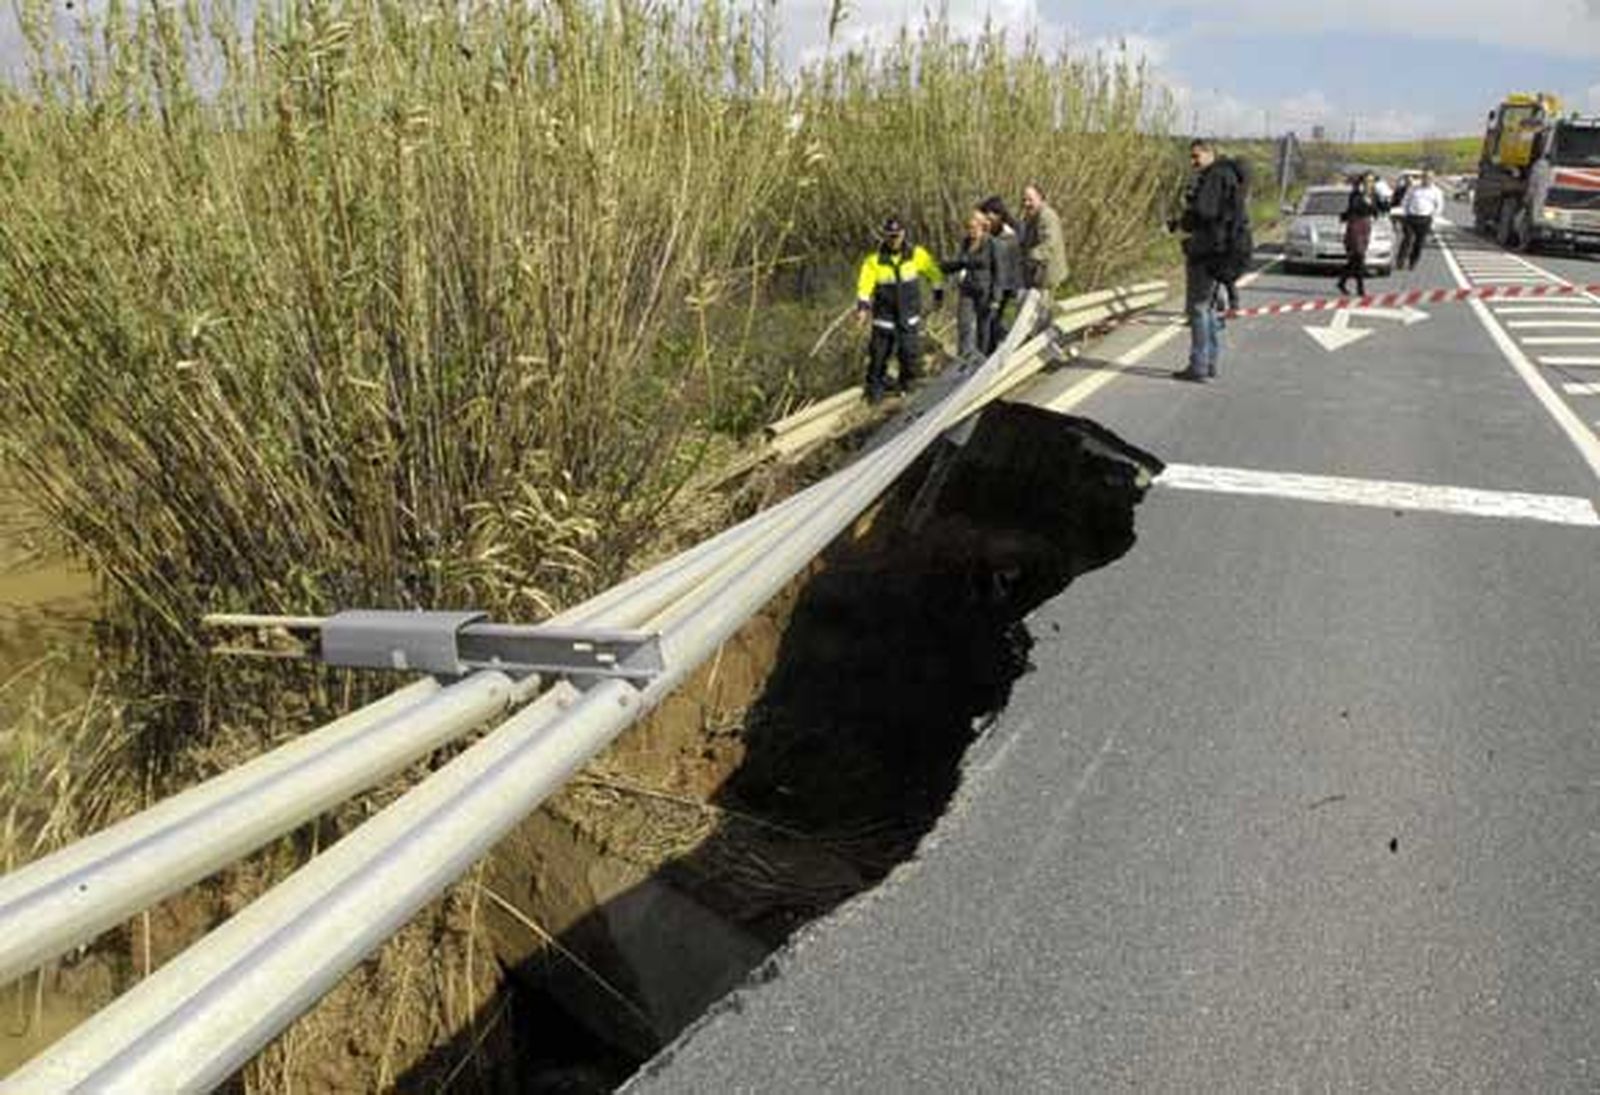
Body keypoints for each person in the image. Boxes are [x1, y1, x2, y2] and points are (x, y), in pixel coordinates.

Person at [1172, 138, 1248, 382]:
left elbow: (1205, 212)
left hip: (1207, 251)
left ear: (1209, 153)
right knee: (1210, 309)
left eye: (1196, 156)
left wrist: (1184, 219)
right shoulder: (1231, 175)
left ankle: (1199, 366)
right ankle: (1210, 363)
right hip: (1223, 250)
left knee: (1199, 309)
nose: (1193, 162)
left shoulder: (1215, 176)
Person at [853, 216, 945, 403]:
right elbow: (864, 286)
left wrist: (938, 296)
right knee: (878, 356)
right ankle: (875, 389)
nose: (894, 239)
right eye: (890, 235)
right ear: (884, 236)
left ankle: (907, 385)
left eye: (897, 235)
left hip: (908, 316)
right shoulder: (874, 261)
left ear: (903, 233)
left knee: (909, 354)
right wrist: (862, 308)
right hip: (884, 318)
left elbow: (934, 273)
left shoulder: (917, 254)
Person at [941, 207, 1000, 365]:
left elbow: (998, 271)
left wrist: (996, 297)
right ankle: (964, 356)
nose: (970, 231)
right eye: (968, 228)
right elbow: (959, 262)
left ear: (982, 227)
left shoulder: (991, 244)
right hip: (967, 288)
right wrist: (945, 267)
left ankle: (984, 359)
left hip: (985, 290)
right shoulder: (966, 243)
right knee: (964, 322)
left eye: (973, 227)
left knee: (984, 327)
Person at [979, 195, 1022, 349]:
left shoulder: (1011, 235)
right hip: (995, 284)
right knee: (990, 323)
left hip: (1009, 286)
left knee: (998, 322)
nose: (985, 221)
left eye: (988, 216)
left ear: (998, 214)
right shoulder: (991, 232)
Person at [1337, 172, 1384, 297]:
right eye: (1367, 181)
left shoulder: (1375, 195)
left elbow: (1379, 209)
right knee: (1359, 255)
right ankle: (1360, 288)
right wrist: (1366, 202)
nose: (1370, 183)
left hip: (1366, 226)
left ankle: (1342, 282)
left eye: (1372, 181)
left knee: (1355, 259)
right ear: (1362, 182)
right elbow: (1354, 208)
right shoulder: (1356, 194)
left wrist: (1382, 205)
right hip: (1355, 225)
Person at [1019, 184, 1068, 295]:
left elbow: (1049, 245)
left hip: (1047, 278)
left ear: (1040, 197)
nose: (1026, 203)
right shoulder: (1030, 216)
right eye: (1024, 200)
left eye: (1030, 200)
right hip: (1036, 277)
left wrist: (1027, 257)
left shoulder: (1047, 216)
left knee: (1041, 310)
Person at [1396, 169, 1445, 270]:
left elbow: (1439, 206)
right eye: (1425, 177)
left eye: (1429, 178)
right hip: (1411, 217)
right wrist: (1405, 212)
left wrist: (1433, 217)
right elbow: (1405, 200)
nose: (1427, 180)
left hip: (1425, 219)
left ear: (1433, 179)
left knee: (1419, 242)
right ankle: (1400, 260)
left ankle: (1413, 262)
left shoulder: (1436, 192)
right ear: (1422, 178)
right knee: (1407, 239)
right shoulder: (1413, 188)